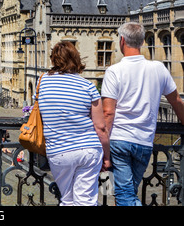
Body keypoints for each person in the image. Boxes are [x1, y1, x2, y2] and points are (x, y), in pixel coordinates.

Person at [101, 22, 184, 206]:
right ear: (142, 42)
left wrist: (103, 149)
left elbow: (108, 113)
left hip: (119, 142)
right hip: (144, 142)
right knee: (127, 192)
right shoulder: (158, 68)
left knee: (124, 196)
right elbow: (177, 101)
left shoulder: (114, 71)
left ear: (122, 41)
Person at [38, 41, 110, 206]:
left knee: (67, 200)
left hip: (58, 150)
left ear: (54, 59)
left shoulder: (41, 83)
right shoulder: (88, 86)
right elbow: (101, 127)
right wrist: (107, 156)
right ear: (77, 60)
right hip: (88, 150)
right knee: (86, 201)